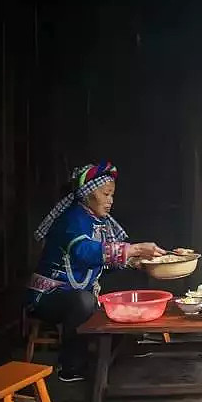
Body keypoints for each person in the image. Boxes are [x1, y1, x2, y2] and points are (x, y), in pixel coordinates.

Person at [25, 162, 166, 382]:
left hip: (84, 288)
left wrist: (135, 261)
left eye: (112, 195)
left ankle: (121, 348)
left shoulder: (100, 223)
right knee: (83, 301)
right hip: (50, 294)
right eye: (106, 194)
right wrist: (134, 248)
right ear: (88, 193)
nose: (111, 200)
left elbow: (105, 260)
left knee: (130, 281)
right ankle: (71, 366)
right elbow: (85, 253)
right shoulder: (72, 219)